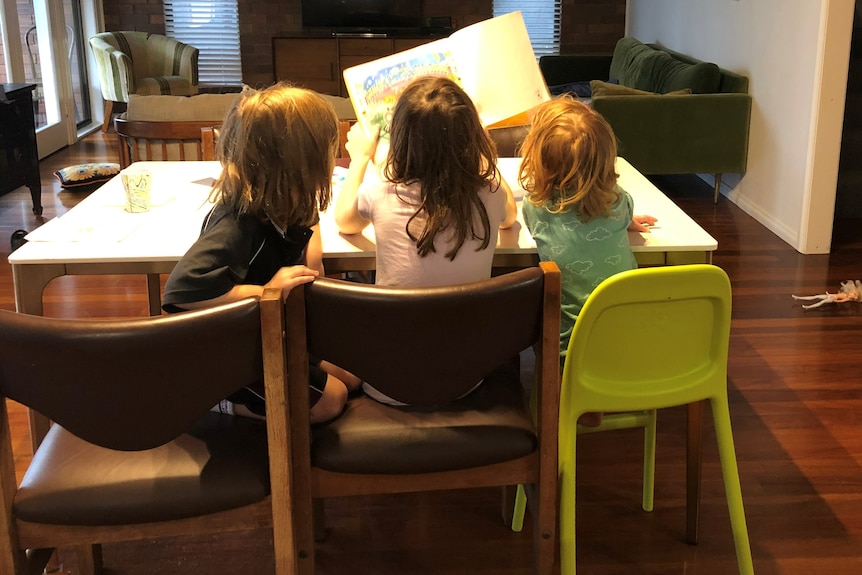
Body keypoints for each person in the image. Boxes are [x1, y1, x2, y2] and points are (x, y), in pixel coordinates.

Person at [162, 83, 360, 424]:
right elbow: (182, 291)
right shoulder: (237, 223)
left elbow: (313, 266)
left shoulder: (288, 201)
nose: (336, 154)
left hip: (266, 334)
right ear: (299, 163)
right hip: (229, 354)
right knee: (332, 400)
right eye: (330, 149)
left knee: (353, 374)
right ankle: (216, 403)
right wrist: (268, 291)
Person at [334, 75, 517, 403]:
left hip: (386, 382)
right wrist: (485, 157)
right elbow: (511, 218)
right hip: (465, 380)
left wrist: (361, 159)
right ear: (472, 137)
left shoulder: (382, 191)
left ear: (400, 140)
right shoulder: (489, 194)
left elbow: (345, 221)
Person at [518, 97, 656, 426]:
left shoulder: (536, 208)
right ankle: (600, 392)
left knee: (530, 314)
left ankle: (565, 400)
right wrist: (627, 220)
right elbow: (620, 206)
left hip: (568, 350)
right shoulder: (620, 203)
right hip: (628, 338)